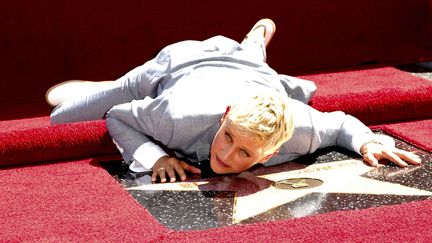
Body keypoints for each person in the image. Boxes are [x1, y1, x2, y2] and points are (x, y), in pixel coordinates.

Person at [47, 19, 421, 183]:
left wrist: (368, 141)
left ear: (271, 154)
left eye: (245, 153)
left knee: (253, 59)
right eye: (228, 136)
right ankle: (100, 84)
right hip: (178, 65)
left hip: (252, 73)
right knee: (61, 117)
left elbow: (340, 123)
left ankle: (255, 39)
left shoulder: (301, 130)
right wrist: (155, 157)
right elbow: (118, 116)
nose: (226, 155)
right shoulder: (177, 115)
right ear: (226, 116)